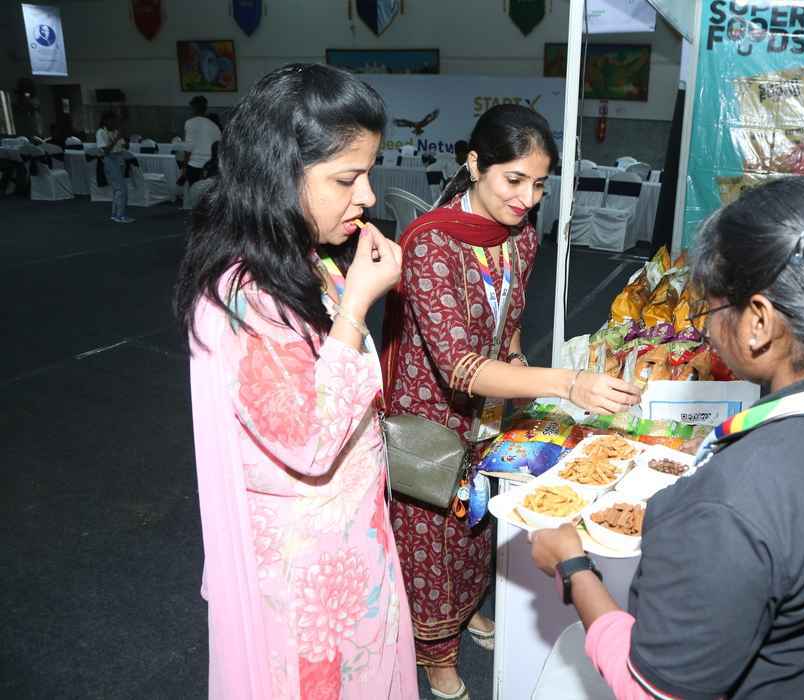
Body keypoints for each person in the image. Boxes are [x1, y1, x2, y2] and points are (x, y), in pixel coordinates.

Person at [531, 176, 804, 699]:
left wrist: (574, 568)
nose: (708, 330)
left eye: (711, 310)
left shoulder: (735, 499)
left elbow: (652, 690)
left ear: (759, 321)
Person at [173, 63, 418, 699]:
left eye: (368, 173)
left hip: (350, 544)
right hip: (306, 573)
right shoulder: (241, 296)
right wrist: (357, 304)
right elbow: (309, 441)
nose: (367, 196)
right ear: (280, 173)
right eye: (346, 178)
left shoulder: (306, 262)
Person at [381, 104, 641, 699]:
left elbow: (510, 316)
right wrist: (567, 385)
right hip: (432, 418)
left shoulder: (519, 237)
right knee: (433, 537)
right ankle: (436, 652)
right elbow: (459, 366)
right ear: (475, 164)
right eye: (514, 180)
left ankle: (469, 608)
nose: (527, 199)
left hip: (491, 409)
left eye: (539, 185)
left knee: (479, 523)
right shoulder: (432, 244)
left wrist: (521, 361)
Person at [96, 112, 132, 223]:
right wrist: (116, 138)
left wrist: (124, 136)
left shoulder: (115, 131)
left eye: (115, 121)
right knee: (121, 189)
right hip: (110, 160)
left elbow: (126, 146)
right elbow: (106, 151)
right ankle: (121, 216)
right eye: (113, 121)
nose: (115, 123)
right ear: (105, 121)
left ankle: (115, 214)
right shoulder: (101, 132)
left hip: (120, 159)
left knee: (118, 189)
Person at [183, 95, 222, 186]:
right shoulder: (214, 126)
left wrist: (184, 168)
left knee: (193, 191)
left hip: (194, 165)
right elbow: (219, 147)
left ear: (193, 108)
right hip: (210, 167)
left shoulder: (190, 123)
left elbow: (188, 148)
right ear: (205, 109)